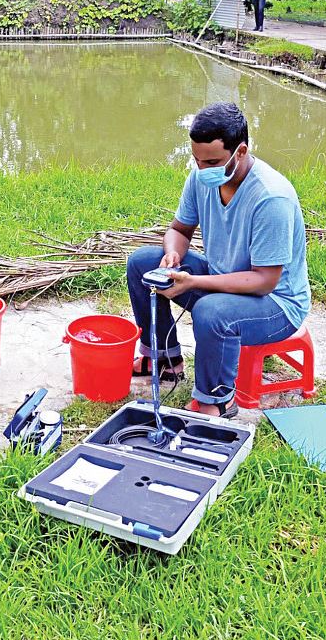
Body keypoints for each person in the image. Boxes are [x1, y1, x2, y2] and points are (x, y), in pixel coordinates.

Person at [126, 102, 310, 418]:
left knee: (212, 312)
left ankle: (217, 401)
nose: (202, 169)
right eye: (197, 160)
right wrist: (173, 253)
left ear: (240, 151)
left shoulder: (271, 198)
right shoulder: (202, 177)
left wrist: (194, 282)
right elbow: (179, 229)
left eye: (211, 161)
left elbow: (264, 281)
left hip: (275, 305)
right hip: (224, 278)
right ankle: (165, 360)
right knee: (143, 263)